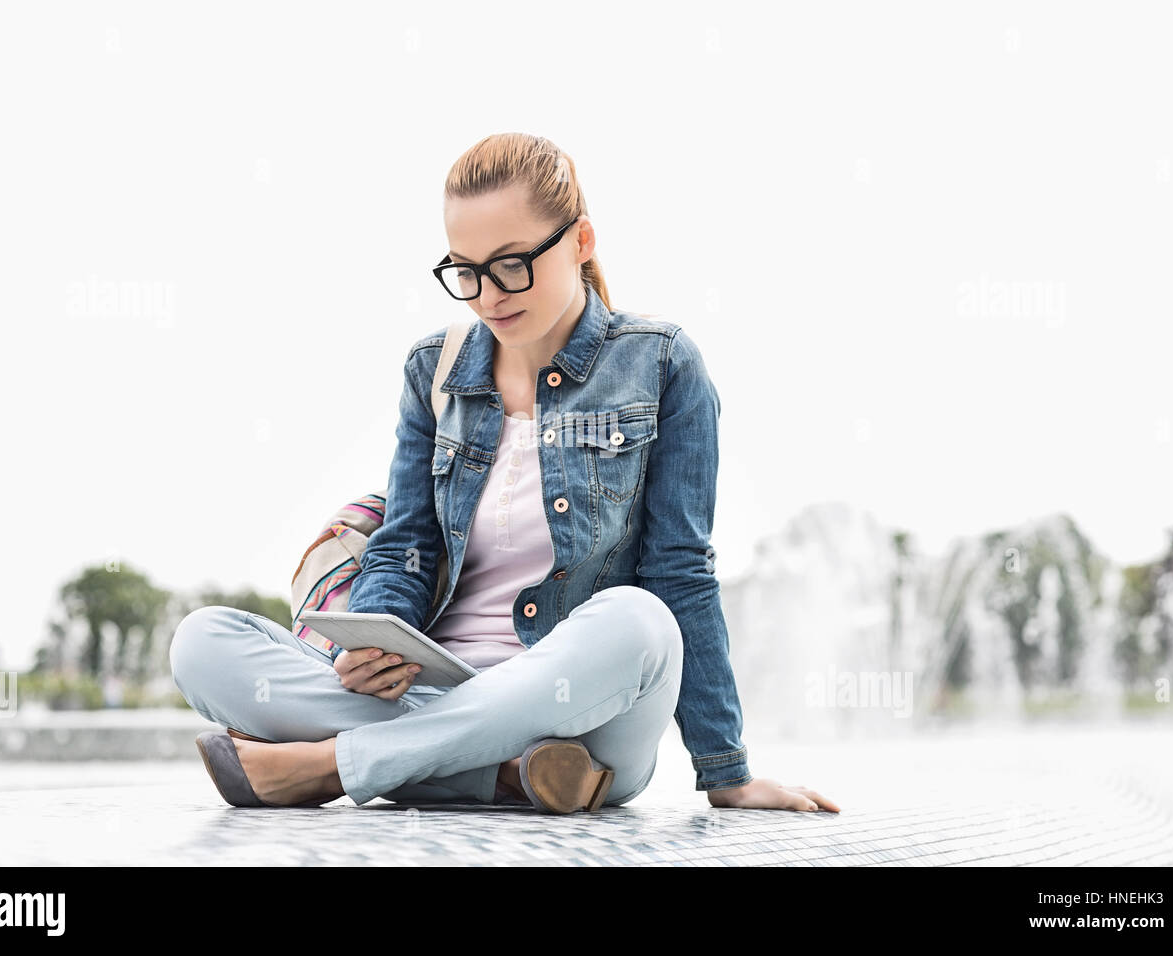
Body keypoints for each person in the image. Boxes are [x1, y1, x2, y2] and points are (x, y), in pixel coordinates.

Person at [170, 131, 839, 815]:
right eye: (466, 271)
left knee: (643, 622)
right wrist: (378, 638)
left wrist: (726, 772)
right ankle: (508, 774)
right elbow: (405, 546)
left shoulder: (661, 364)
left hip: (580, 712)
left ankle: (333, 765)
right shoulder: (433, 370)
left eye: (512, 264)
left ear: (581, 241)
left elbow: (680, 572)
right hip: (435, 691)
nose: (488, 296)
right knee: (202, 643)